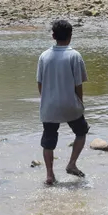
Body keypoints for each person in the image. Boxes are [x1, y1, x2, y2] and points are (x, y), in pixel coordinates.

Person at [36, 19, 89, 185]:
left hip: (50, 106)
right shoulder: (74, 56)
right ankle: (72, 164)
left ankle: (50, 175)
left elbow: (40, 84)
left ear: (53, 36)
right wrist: (80, 103)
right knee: (81, 132)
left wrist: (47, 100)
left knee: (48, 141)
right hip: (70, 105)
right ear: (70, 36)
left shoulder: (44, 56)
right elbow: (78, 84)